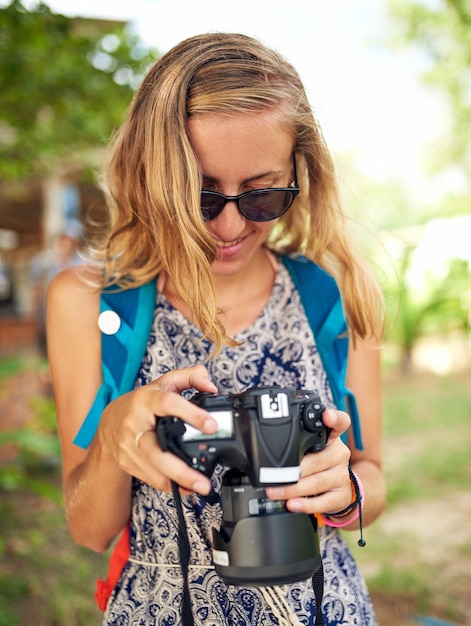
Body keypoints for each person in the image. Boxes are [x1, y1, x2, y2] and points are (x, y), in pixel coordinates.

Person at [47, 33, 386, 626]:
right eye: (199, 195)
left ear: (299, 172)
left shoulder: (333, 293)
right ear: (150, 174)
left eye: (262, 195)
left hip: (320, 604)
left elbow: (372, 477)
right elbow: (87, 529)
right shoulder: (85, 302)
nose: (229, 225)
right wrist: (114, 437)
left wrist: (347, 490)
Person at [30, 218, 83, 357]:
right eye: (64, 240)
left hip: (72, 313)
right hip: (49, 311)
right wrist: (36, 313)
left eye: (70, 241)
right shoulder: (44, 263)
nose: (66, 244)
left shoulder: (80, 264)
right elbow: (37, 289)